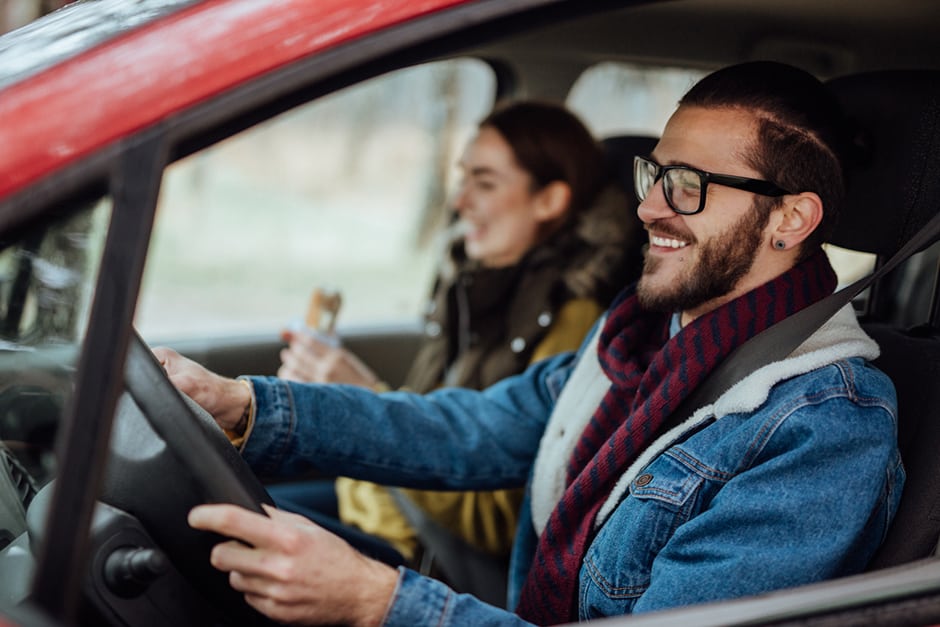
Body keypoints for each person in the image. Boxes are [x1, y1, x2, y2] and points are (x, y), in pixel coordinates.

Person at [157, 61, 904, 626]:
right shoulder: (642, 337)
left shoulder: (826, 425)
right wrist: (250, 404)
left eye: (686, 183)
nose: (648, 206)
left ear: (791, 219)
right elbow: (472, 428)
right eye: (654, 173)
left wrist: (378, 599)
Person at [270, 100, 643, 570]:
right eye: (462, 177)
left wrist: (365, 396)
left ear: (549, 200)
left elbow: (497, 525)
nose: (460, 201)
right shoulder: (469, 290)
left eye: (484, 183)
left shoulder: (574, 328)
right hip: (389, 511)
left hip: (435, 562)